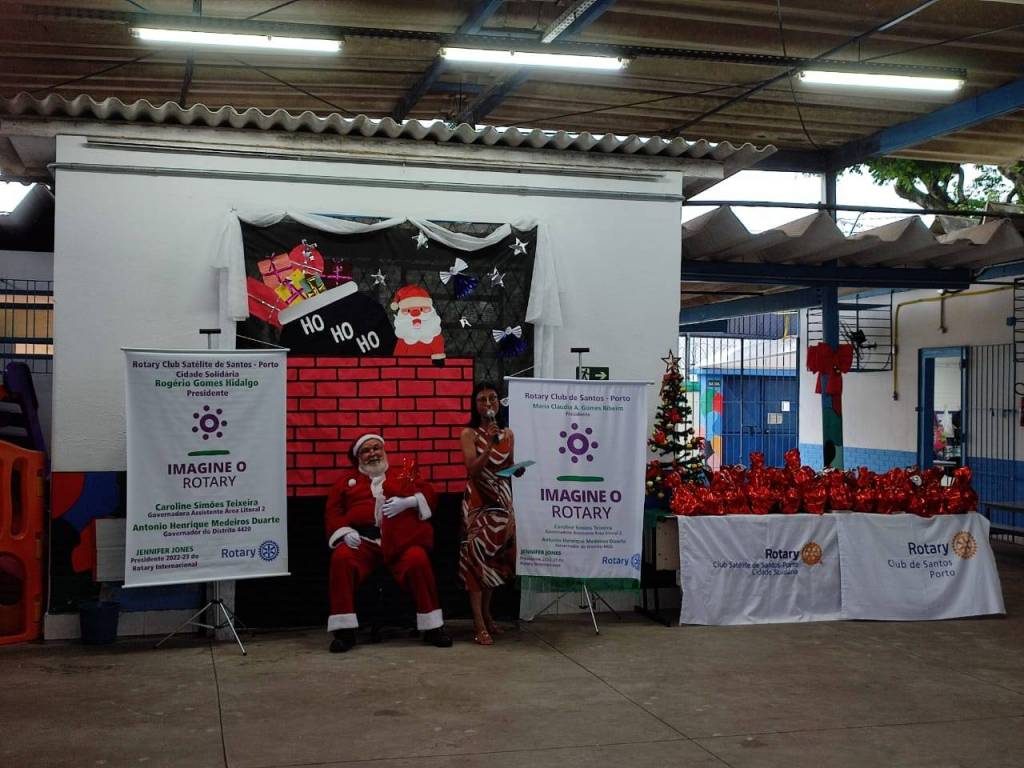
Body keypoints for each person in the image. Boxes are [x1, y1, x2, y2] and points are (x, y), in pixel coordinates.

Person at [324, 433, 453, 653]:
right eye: (366, 450)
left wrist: (411, 501)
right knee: (342, 558)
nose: (373, 453)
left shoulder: (402, 473)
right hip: (363, 541)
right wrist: (345, 533)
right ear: (358, 457)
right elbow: (333, 513)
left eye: (376, 448)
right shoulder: (345, 481)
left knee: (417, 559)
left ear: (384, 451)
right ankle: (344, 631)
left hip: (400, 541)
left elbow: (429, 493)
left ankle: (433, 626)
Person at [459, 382, 522, 646]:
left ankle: (488, 613)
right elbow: (473, 470)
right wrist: (487, 447)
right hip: (479, 502)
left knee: (494, 562)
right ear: (475, 405)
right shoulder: (469, 434)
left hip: (502, 500)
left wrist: (517, 469)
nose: (488, 404)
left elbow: (508, 465)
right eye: (482, 399)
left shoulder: (508, 434)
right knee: (476, 561)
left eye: (493, 398)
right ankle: (478, 623)